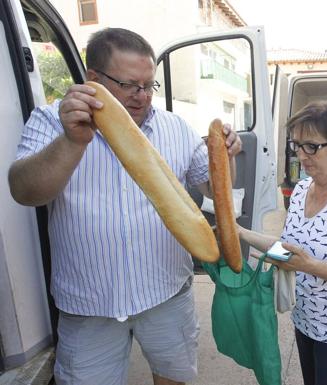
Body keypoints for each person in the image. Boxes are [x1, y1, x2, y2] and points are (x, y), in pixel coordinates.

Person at [8, 28, 241, 385]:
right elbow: (25, 191)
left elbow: (214, 186)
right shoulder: (52, 121)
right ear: (93, 79)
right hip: (89, 306)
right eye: (130, 85)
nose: (143, 97)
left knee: (173, 379)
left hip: (166, 295)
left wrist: (225, 157)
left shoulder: (175, 127)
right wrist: (72, 142)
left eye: (149, 85)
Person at [238, 101, 327, 385]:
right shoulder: (302, 189)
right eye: (297, 145)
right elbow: (288, 248)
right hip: (306, 319)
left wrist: (309, 265)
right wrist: (238, 233)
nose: (302, 155)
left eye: (312, 146)